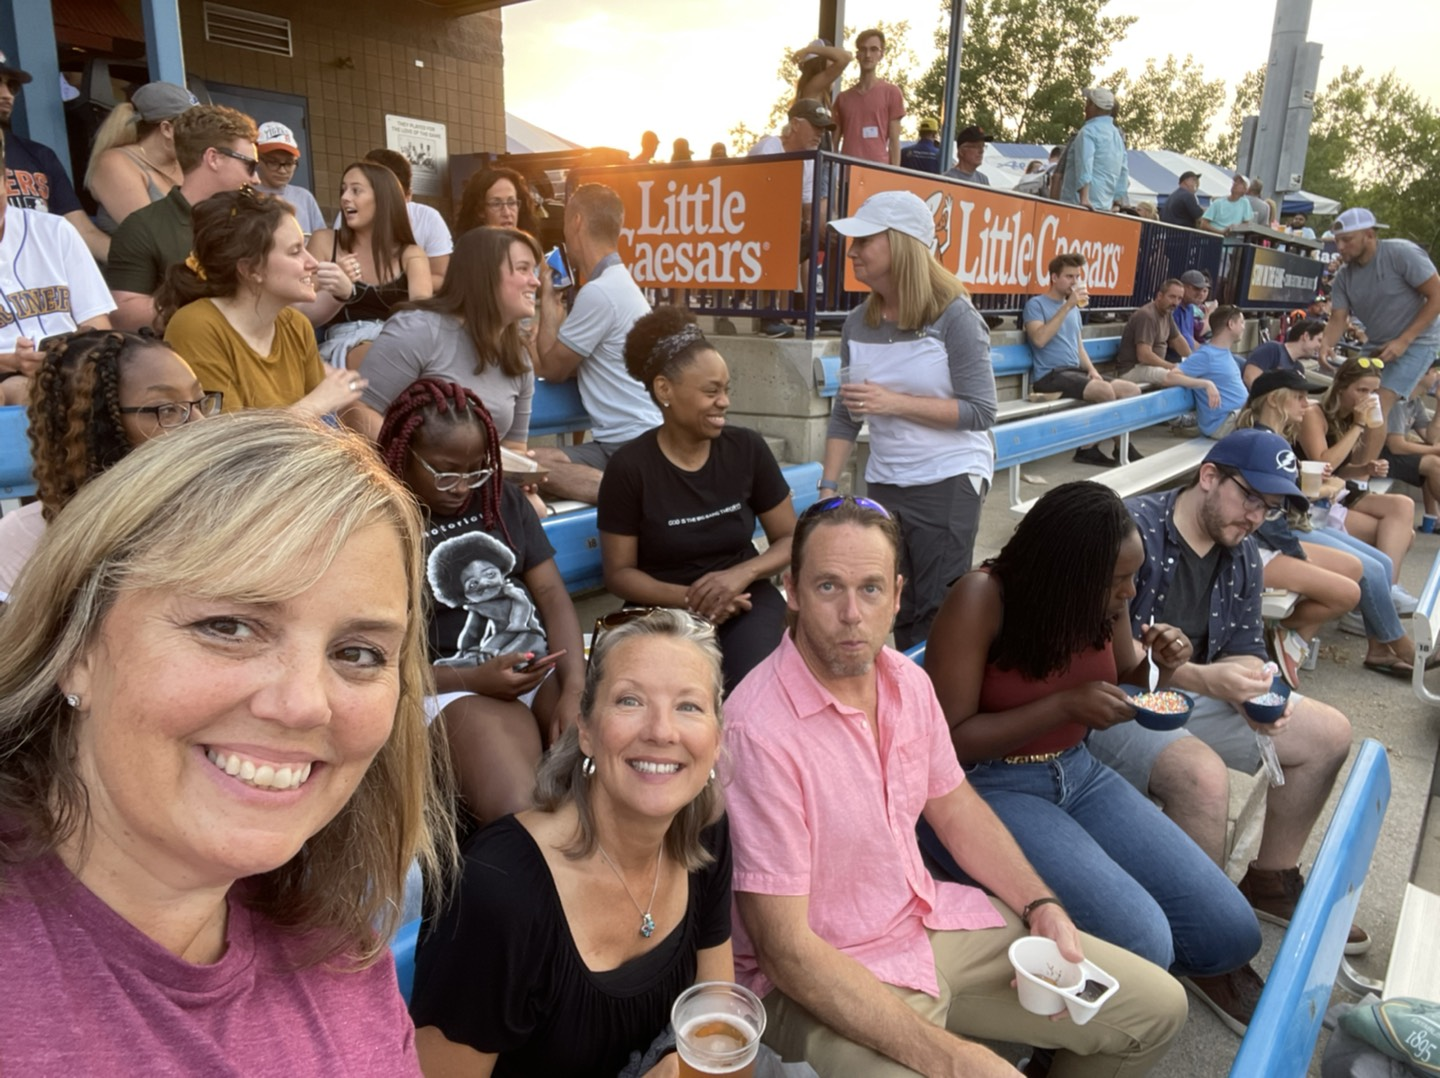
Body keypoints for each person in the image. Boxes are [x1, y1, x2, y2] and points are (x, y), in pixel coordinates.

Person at [0, 409, 455, 1072]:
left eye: (357, 652)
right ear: (77, 646)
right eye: (229, 626)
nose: (304, 703)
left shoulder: (333, 946)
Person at [724, 495, 1189, 1076]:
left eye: (870, 589)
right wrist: (955, 1060)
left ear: (896, 596)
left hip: (926, 924)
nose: (851, 614)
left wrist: (1040, 904)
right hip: (822, 975)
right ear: (792, 592)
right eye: (827, 588)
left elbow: (956, 806)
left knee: (1158, 1009)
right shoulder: (757, 731)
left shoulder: (904, 685)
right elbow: (786, 952)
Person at [920, 481, 1264, 1030]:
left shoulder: (1103, 603)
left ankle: (1140, 991)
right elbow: (950, 740)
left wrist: (1162, 659)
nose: (1131, 592)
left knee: (1233, 931)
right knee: (1142, 940)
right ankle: (1070, 1030)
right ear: (1069, 573)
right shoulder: (981, 598)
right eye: (1120, 581)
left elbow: (1125, 674)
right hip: (990, 785)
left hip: (1079, 774)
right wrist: (1061, 707)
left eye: (1132, 576)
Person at [411, 608, 733, 1078]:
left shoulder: (703, 828)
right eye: (630, 701)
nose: (662, 731)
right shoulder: (498, 892)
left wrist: (683, 1063)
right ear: (585, 729)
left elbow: (716, 1006)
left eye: (689, 706)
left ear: (717, 739)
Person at [1084, 429, 1366, 955]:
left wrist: (1248, 684)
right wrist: (1207, 679)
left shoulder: (1242, 551)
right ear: (1209, 477)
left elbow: (1240, 647)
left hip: (1192, 697)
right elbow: (1104, 652)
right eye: (1250, 498)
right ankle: (1203, 939)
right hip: (1112, 703)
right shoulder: (1132, 530)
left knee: (1328, 734)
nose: (1257, 516)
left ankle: (1269, 880)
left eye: (1271, 507)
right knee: (1202, 777)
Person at [378, 378, 584, 823]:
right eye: (446, 472)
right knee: (522, 813)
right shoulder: (381, 524)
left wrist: (574, 688)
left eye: (476, 471)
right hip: (445, 683)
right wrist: (472, 678)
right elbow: (378, 657)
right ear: (403, 456)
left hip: (534, 669)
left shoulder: (502, 500)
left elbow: (550, 594)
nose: (462, 487)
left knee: (601, 779)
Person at [821, 191, 998, 649]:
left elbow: (980, 410)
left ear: (900, 244)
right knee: (896, 606)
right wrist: (827, 488)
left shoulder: (956, 316)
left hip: (949, 477)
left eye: (864, 240)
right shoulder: (858, 323)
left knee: (938, 613)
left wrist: (894, 402)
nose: (853, 251)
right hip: (886, 479)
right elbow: (847, 411)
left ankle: (941, 712)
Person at [598, 306, 795, 690]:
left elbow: (791, 538)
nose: (724, 401)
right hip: (662, 610)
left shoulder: (747, 449)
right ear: (664, 390)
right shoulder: (630, 468)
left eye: (726, 389)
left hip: (747, 601)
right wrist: (694, 598)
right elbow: (619, 574)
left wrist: (741, 575)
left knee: (752, 686)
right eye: (711, 391)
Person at [0, 329, 215, 600]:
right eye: (167, 410)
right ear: (95, 427)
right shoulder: (24, 543)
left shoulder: (228, 519)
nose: (201, 425)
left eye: (200, 401)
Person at [1234, 370, 1410, 688]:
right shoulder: (1262, 441)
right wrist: (1300, 552)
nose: (1307, 403)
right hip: (1265, 539)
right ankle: (1395, 646)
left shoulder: (1276, 438)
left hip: (1286, 527)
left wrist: (1315, 485)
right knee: (1364, 571)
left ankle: (1376, 645)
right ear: (1275, 399)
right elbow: (1266, 514)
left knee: (1377, 564)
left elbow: (1279, 496)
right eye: (1299, 397)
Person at [156, 187, 364, 416]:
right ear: (251, 269)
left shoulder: (296, 325)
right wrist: (316, 403)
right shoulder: (195, 326)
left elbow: (316, 434)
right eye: (295, 251)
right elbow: (228, 442)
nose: (313, 262)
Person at [533, 182, 663, 500]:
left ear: (576, 221)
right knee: (529, 461)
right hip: (634, 440)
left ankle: (632, 496)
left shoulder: (600, 292)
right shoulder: (621, 284)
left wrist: (548, 303)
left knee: (520, 467)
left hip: (628, 445)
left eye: (564, 222)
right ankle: (637, 492)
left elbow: (551, 368)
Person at [105, 104, 259, 331]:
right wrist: (213, 300)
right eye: (250, 165)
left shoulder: (256, 222)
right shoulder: (143, 227)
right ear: (213, 158)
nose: (256, 179)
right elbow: (124, 314)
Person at [0, 127, 115, 406]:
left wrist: (70, 358)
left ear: (6, 182)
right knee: (21, 391)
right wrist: (12, 361)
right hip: (9, 381)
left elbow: (97, 322)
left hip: (73, 366)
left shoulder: (54, 230)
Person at [1298, 355, 1420, 610]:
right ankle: (1378, 600)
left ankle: (1386, 591)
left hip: (1336, 491)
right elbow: (1323, 464)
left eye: (1374, 391)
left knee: (1402, 505)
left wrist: (1365, 468)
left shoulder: (1348, 416)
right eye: (1362, 390)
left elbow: (1341, 469)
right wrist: (1359, 425)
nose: (1368, 397)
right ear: (1341, 386)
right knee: (1403, 535)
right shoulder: (1314, 414)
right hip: (1313, 500)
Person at [1319, 207, 1440, 429]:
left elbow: (1437, 295)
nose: (1341, 247)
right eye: (1337, 241)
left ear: (1369, 235)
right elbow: (1338, 317)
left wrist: (1404, 340)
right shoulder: (1345, 276)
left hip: (1418, 340)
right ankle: (1335, 453)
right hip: (1377, 342)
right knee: (1342, 394)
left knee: (1375, 403)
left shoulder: (1401, 253)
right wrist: (1326, 344)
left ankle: (1366, 464)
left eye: (1347, 240)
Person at [304, 160, 432, 369]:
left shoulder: (410, 254)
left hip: (396, 342)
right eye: (343, 190)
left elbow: (422, 315)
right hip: (342, 346)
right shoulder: (326, 241)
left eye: (356, 191)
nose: (345, 198)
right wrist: (334, 283)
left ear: (383, 199)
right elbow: (300, 305)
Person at [1024, 251, 1141, 466]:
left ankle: (1110, 447)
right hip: (1050, 376)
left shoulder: (1074, 309)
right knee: (1105, 391)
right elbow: (1039, 339)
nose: (1074, 282)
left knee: (1131, 390)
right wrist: (1067, 305)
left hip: (1074, 371)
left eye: (1077, 277)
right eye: (1069, 276)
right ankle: (1105, 448)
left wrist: (1092, 370)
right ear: (1054, 278)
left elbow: (1078, 346)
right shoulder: (1036, 305)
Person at [0, 51, 111, 261]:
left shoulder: (39, 155)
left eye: (12, 86)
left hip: (41, 279)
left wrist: (141, 266)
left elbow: (82, 231)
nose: (7, 95)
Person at [84, 80, 196, 234]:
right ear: (167, 129)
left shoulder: (186, 163)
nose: (203, 133)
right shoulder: (115, 163)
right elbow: (153, 236)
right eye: (194, 126)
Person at [364, 147, 454, 286]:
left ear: (407, 196)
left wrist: (398, 286)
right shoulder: (350, 215)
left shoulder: (428, 218)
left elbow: (441, 277)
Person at [1164, 304, 1249, 438]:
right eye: (1242, 322)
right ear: (1231, 324)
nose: (1244, 327)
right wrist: (1206, 384)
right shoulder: (1206, 355)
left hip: (1238, 417)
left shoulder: (1225, 353)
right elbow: (1171, 376)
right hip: (1224, 423)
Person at [1381, 359, 1440, 531]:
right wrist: (1435, 449)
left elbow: (1431, 438)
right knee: (1434, 463)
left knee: (1433, 456)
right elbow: (1395, 445)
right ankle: (1434, 518)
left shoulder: (1416, 402)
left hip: (1393, 454)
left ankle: (1432, 518)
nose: (1437, 375)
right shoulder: (1398, 401)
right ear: (1421, 374)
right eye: (1434, 371)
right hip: (1380, 456)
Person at [833, 28, 903, 165]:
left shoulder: (892, 92)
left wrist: (895, 177)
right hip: (847, 175)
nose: (868, 55)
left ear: (881, 54)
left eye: (873, 49)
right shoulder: (843, 98)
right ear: (857, 54)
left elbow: (895, 143)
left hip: (879, 174)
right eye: (863, 49)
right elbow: (833, 144)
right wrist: (832, 177)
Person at [1060, 88, 1130, 211]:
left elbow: (1085, 164)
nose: (1085, 108)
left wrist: (1084, 198)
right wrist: (1116, 201)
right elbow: (1123, 171)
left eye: (1088, 103)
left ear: (1094, 107)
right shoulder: (1117, 136)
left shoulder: (1088, 132)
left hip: (1078, 205)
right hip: (1105, 205)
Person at [252, 121, 325, 236]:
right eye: (273, 162)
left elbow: (321, 242)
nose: (282, 170)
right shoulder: (245, 196)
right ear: (258, 160)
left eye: (289, 163)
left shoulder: (304, 198)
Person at [1114, 278, 1191, 387]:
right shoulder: (1147, 315)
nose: (1176, 303)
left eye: (1179, 299)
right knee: (1177, 377)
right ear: (1160, 296)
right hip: (1133, 369)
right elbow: (1144, 355)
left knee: (1190, 373)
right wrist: (1171, 366)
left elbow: (1178, 340)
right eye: (1172, 297)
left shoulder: (1167, 313)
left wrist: (1193, 360)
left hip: (1150, 367)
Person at [455, 165, 540, 239]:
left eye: (512, 203)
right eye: (496, 204)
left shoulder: (530, 247)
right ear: (480, 211)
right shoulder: (470, 253)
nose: (507, 213)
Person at [1242, 318, 1326, 387]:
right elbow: (1250, 377)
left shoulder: (1299, 369)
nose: (1321, 346)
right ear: (1306, 336)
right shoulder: (1272, 349)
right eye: (1319, 340)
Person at [792, 38, 852, 114]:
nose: (833, 63)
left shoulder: (817, 90)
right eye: (831, 59)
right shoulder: (813, 87)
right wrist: (808, 50)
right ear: (819, 63)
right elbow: (845, 58)